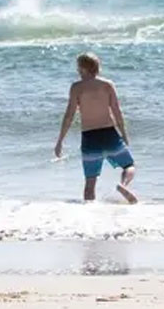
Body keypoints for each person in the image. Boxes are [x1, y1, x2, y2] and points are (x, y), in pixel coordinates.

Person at [54, 53, 137, 203]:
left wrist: (60, 140)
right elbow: (117, 111)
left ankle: (89, 213)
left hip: (89, 137)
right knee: (129, 165)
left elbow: (69, 115)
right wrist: (124, 134)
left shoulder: (76, 87)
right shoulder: (107, 85)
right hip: (109, 133)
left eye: (78, 67)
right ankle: (123, 185)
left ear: (83, 68)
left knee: (90, 182)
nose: (77, 70)